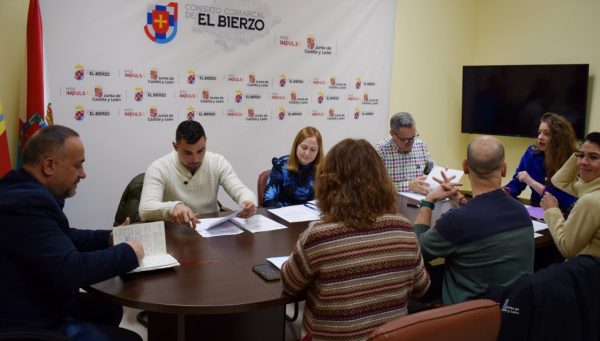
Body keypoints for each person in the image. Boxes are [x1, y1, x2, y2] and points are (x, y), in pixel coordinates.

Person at [0, 125, 144, 341]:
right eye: (78, 166)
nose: (83, 174)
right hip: (28, 318)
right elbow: (73, 269)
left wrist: (107, 238)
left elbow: (63, 235)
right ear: (49, 165)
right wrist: (128, 252)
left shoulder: (20, 186)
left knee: (110, 310)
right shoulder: (27, 204)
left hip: (37, 295)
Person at [281, 139, 430, 341]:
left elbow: (290, 285)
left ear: (327, 183)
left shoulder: (319, 235)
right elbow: (422, 288)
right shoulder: (403, 228)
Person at [414, 135, 534, 304]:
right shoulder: (520, 210)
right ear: (504, 169)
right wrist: (462, 201)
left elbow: (417, 251)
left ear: (465, 167)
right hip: (514, 314)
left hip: (469, 322)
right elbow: (485, 219)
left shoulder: (457, 221)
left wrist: (428, 201)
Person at [139, 120, 257, 227]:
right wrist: (173, 207)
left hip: (211, 232)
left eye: (201, 151)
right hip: (175, 233)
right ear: (175, 146)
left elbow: (241, 190)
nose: (196, 159)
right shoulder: (159, 168)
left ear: (206, 141)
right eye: (188, 153)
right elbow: (145, 209)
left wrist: (248, 202)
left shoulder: (217, 162)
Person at [541, 132, 600, 258]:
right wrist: (580, 154)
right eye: (581, 155)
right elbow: (559, 181)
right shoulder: (588, 187)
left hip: (589, 273)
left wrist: (552, 211)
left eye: (593, 157)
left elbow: (567, 249)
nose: (583, 162)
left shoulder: (590, 201)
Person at [504, 112, 577, 212]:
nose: (540, 137)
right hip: (536, 211)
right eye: (539, 132)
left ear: (559, 138)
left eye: (546, 134)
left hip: (561, 214)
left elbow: (568, 201)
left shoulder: (572, 161)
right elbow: (517, 182)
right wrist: (504, 191)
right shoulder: (531, 154)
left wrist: (532, 182)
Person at [263, 126, 324, 208]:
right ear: (296, 146)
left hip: (312, 217)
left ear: (318, 151)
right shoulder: (281, 166)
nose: (307, 153)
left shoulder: (323, 169)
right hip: (283, 216)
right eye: (304, 147)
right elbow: (268, 200)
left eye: (313, 150)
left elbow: (328, 200)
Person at [375, 112, 435, 194]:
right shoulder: (380, 151)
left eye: (413, 137)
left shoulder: (421, 146)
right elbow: (375, 186)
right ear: (392, 134)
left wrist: (439, 174)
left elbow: (430, 170)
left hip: (419, 204)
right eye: (405, 140)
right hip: (392, 205)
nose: (411, 142)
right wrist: (407, 186)